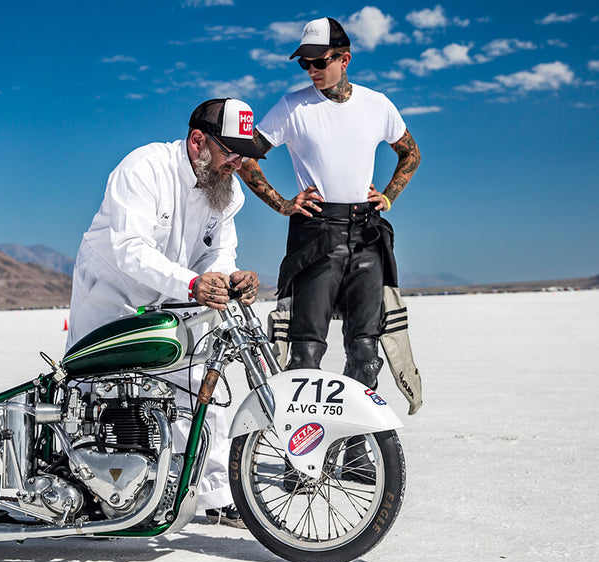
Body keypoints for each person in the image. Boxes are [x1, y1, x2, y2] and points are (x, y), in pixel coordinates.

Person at [237, 17, 421, 479]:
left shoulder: (378, 105)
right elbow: (246, 158)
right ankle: (301, 461)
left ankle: (356, 456)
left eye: (320, 63)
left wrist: (389, 196)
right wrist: (283, 203)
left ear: (345, 58)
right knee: (306, 354)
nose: (311, 71)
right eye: (305, 64)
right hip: (315, 234)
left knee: (364, 349)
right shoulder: (292, 107)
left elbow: (410, 152)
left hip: (366, 234)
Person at [66, 98, 264, 526]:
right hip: (111, 293)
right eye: (231, 151)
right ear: (198, 142)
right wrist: (192, 284)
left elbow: (219, 251)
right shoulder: (143, 169)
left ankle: (215, 497)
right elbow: (130, 249)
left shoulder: (225, 191)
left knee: (198, 383)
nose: (239, 162)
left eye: (244, 152)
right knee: (92, 390)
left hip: (172, 295)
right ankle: (85, 488)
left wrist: (229, 278)